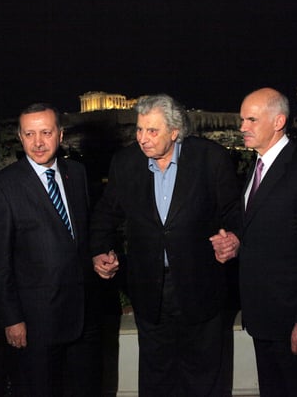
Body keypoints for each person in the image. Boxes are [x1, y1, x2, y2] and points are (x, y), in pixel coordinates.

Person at [91, 94, 240, 396]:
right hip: (149, 293)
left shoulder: (211, 159)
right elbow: (105, 214)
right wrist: (98, 250)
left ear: (175, 131)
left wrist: (234, 239)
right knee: (156, 379)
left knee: (204, 379)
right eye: (139, 130)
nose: (143, 139)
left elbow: (236, 213)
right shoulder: (125, 163)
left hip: (201, 290)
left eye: (152, 131)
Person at [214, 87, 297, 396]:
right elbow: (266, 229)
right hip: (263, 319)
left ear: (278, 121)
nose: (242, 127)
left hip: (295, 325)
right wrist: (236, 241)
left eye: (252, 120)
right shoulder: (258, 166)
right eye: (242, 120)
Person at [0, 103, 102, 396]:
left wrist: (101, 257)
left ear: (60, 135)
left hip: (84, 316)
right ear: (20, 137)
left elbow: (83, 238)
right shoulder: (3, 187)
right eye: (30, 134)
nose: (38, 142)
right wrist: (12, 318)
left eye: (46, 132)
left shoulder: (77, 174)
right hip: (37, 324)